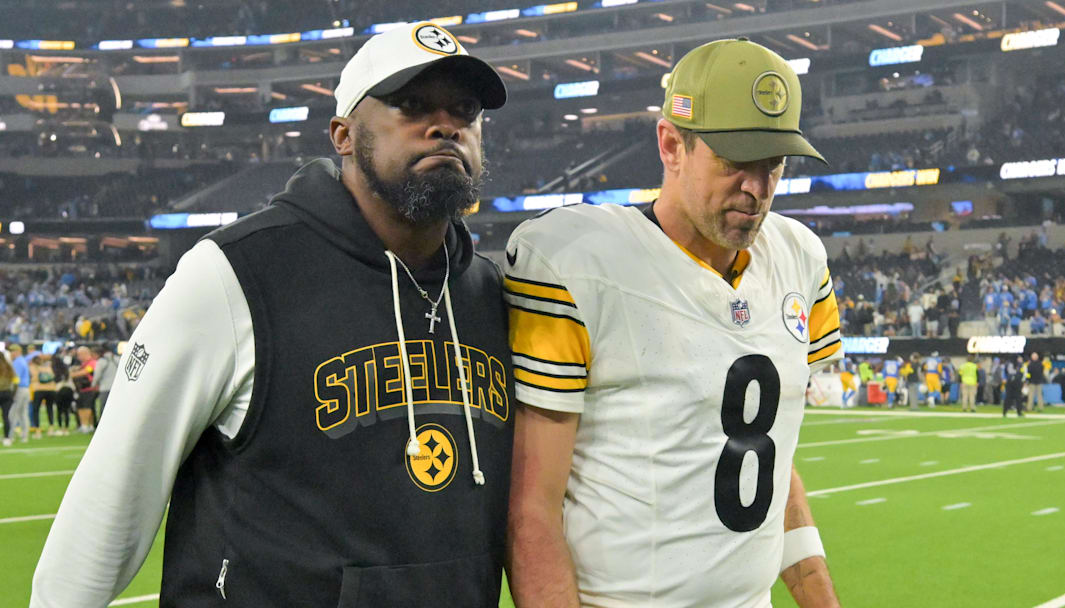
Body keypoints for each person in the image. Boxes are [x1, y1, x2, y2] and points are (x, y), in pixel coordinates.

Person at [33, 22, 514, 607]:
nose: (446, 125)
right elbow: (109, 503)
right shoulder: (231, 274)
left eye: (465, 109)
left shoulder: (490, 291)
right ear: (342, 134)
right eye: (410, 105)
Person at [504, 39, 842, 607]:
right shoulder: (579, 261)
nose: (757, 189)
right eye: (735, 162)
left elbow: (772, 463)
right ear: (671, 144)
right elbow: (531, 511)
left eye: (773, 164)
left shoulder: (799, 260)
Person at [69, 345, 98, 433]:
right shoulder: (83, 364)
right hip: (81, 389)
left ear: (85, 353)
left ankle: (87, 426)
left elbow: (86, 372)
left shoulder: (93, 362)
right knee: (81, 407)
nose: (79, 357)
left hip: (90, 389)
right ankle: (84, 425)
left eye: (80, 355)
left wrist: (70, 374)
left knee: (87, 407)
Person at [6, 344, 31, 443]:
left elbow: (15, 378)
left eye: (12, 351)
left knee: (13, 413)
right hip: (26, 389)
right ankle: (25, 436)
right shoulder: (23, 360)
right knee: (23, 413)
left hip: (19, 389)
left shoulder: (17, 362)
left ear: (17, 352)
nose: (11, 353)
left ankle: (10, 435)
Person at [0, 354, 16, 447]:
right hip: (7, 393)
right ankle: (7, 438)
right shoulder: (9, 367)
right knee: (6, 416)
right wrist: (13, 393)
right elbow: (16, 380)